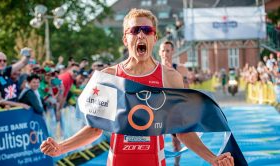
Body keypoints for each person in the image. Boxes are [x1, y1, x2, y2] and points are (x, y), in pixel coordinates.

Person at [40, 9, 234, 166]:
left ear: (154, 38)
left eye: (147, 30)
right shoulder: (109, 76)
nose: (141, 34)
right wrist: (61, 148)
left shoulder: (169, 77)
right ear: (126, 39)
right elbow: (95, 129)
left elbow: (182, 131)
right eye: (134, 30)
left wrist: (213, 159)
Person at [159, 40, 188, 166]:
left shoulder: (180, 69)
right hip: (158, 110)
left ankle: (176, 164)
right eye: (163, 50)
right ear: (159, 52)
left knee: (176, 141)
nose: (165, 53)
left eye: (168, 50)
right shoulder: (153, 69)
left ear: (172, 52)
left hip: (175, 109)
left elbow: (187, 89)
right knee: (156, 141)